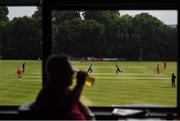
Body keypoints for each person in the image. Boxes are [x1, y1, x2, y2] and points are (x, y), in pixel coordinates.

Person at [30, 55, 95, 120]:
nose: (73, 73)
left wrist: (90, 116)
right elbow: (67, 106)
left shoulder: (64, 89)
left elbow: (78, 105)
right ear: (59, 72)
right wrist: (79, 84)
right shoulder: (50, 93)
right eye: (69, 70)